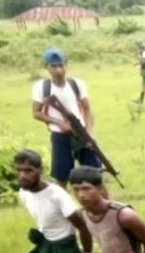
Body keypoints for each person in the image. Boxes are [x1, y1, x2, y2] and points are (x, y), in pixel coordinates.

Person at [9, 150, 94, 253]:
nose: (23, 175)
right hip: (46, 245)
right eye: (19, 170)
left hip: (65, 248)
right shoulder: (24, 192)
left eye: (28, 171)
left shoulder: (57, 195)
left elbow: (82, 227)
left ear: (40, 171)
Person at [31, 48, 101, 188]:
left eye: (61, 65)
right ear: (47, 67)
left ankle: (106, 207)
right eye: (53, 66)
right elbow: (36, 113)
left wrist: (90, 133)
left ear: (66, 65)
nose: (58, 70)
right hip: (60, 136)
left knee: (95, 175)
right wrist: (59, 122)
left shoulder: (76, 84)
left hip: (81, 133)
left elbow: (87, 109)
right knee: (62, 177)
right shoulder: (42, 87)